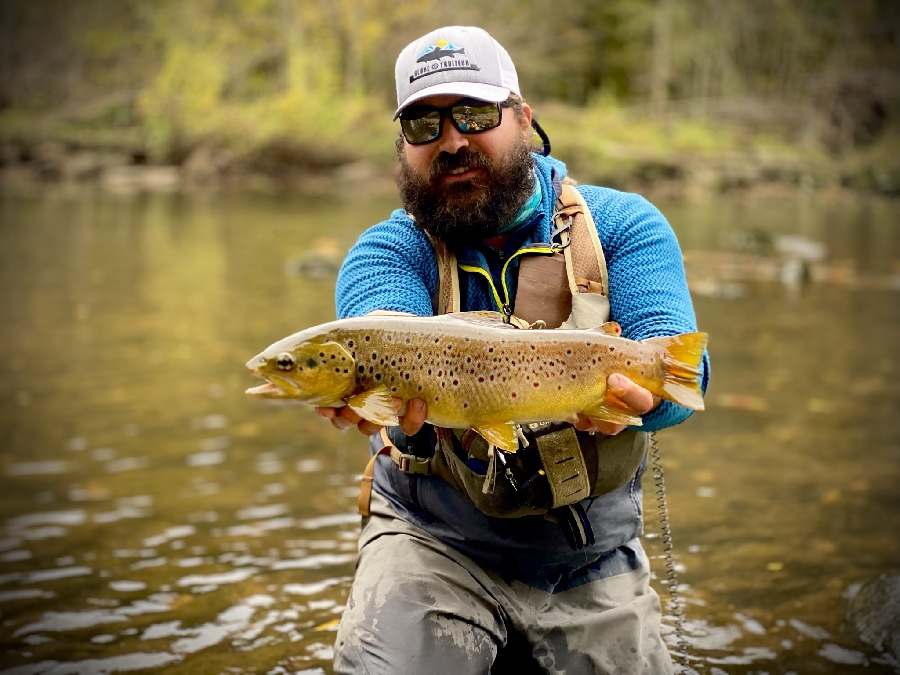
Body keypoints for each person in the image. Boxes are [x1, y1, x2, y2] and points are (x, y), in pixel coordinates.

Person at [316, 25, 709, 675]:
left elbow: (681, 370)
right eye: (423, 126)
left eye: (474, 114)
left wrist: (639, 404)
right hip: (434, 543)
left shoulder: (625, 225)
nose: (452, 141)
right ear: (402, 146)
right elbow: (380, 328)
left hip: (588, 556)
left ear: (524, 117)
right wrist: (380, 403)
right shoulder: (386, 250)